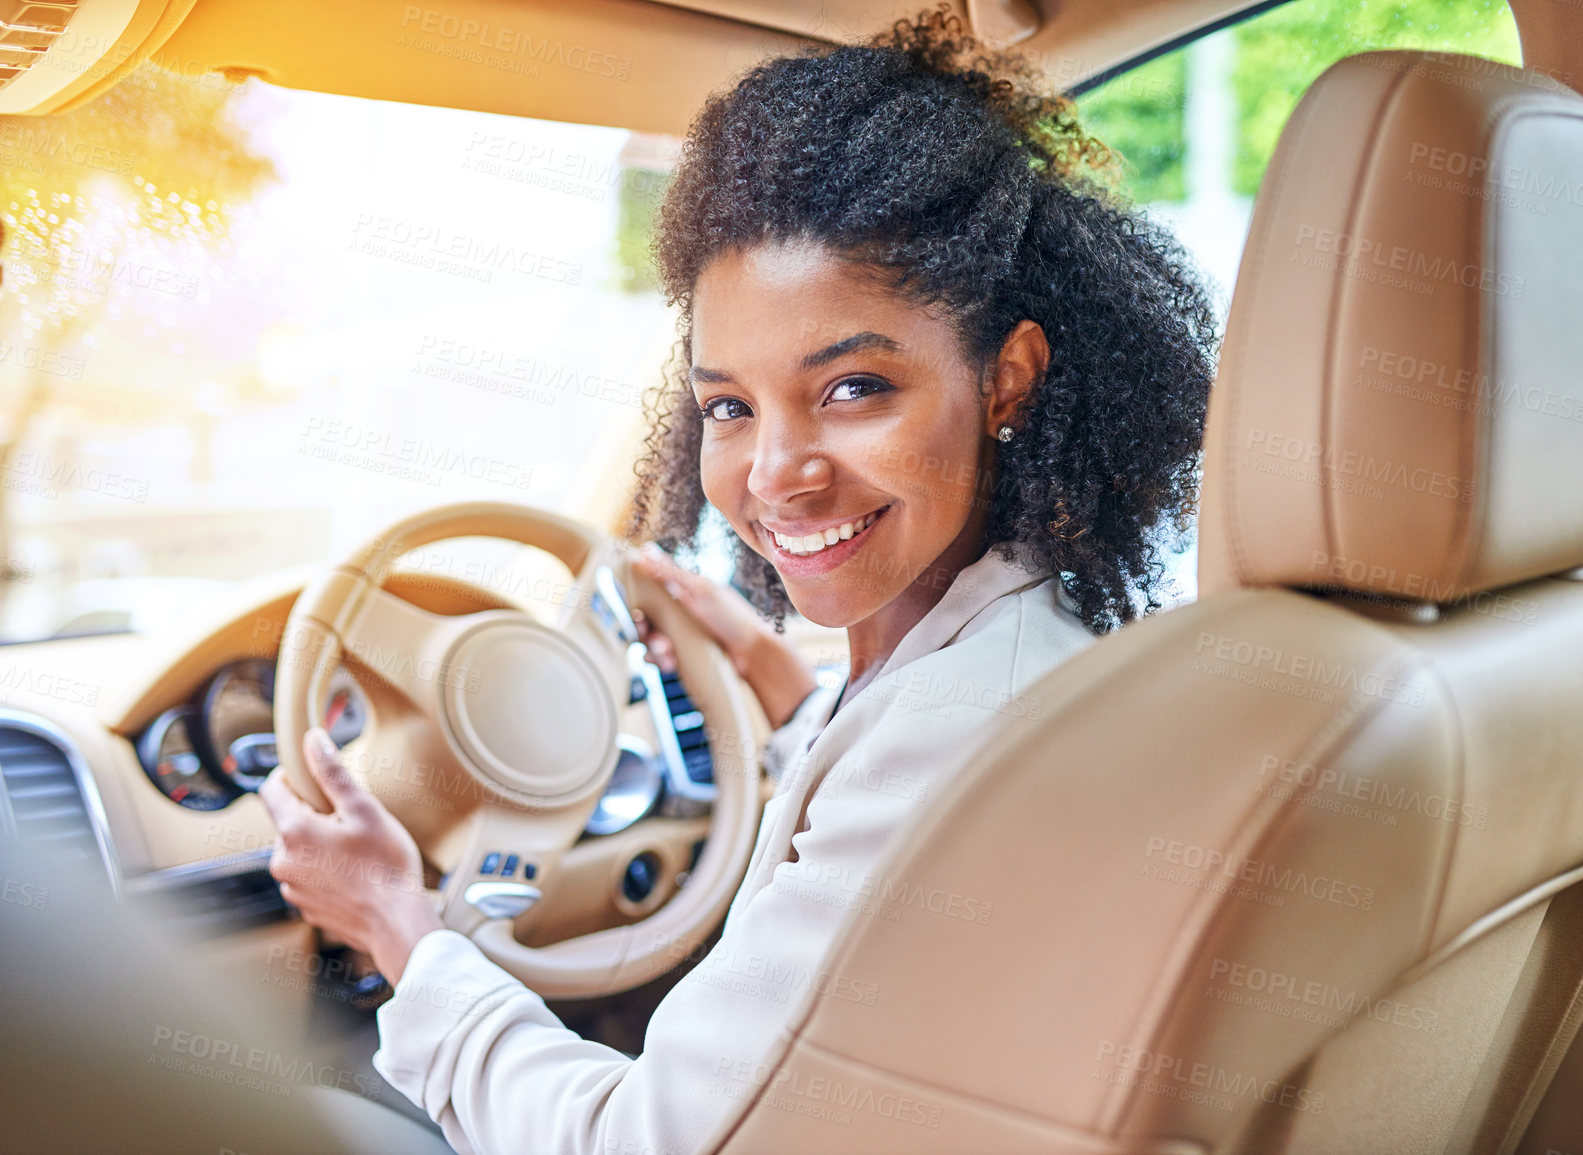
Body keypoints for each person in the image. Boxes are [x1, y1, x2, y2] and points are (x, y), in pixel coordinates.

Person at [258, 6, 1216, 1152]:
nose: (776, 476)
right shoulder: (1030, 652)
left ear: (1007, 378)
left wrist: (397, 924)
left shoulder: (950, 735)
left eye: (855, 388)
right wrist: (781, 686)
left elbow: (641, 1144)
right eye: (728, 406)